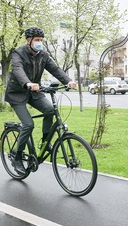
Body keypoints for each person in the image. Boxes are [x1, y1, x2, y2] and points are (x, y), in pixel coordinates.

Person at [5, 26, 77, 174]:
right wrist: (28, 83)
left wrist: (68, 81)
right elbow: (18, 70)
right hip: (17, 94)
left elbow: (55, 69)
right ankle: (17, 157)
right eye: (37, 40)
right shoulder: (18, 53)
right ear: (29, 40)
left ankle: (45, 142)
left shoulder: (42, 55)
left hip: (34, 93)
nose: (40, 42)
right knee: (28, 124)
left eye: (41, 40)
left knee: (50, 110)